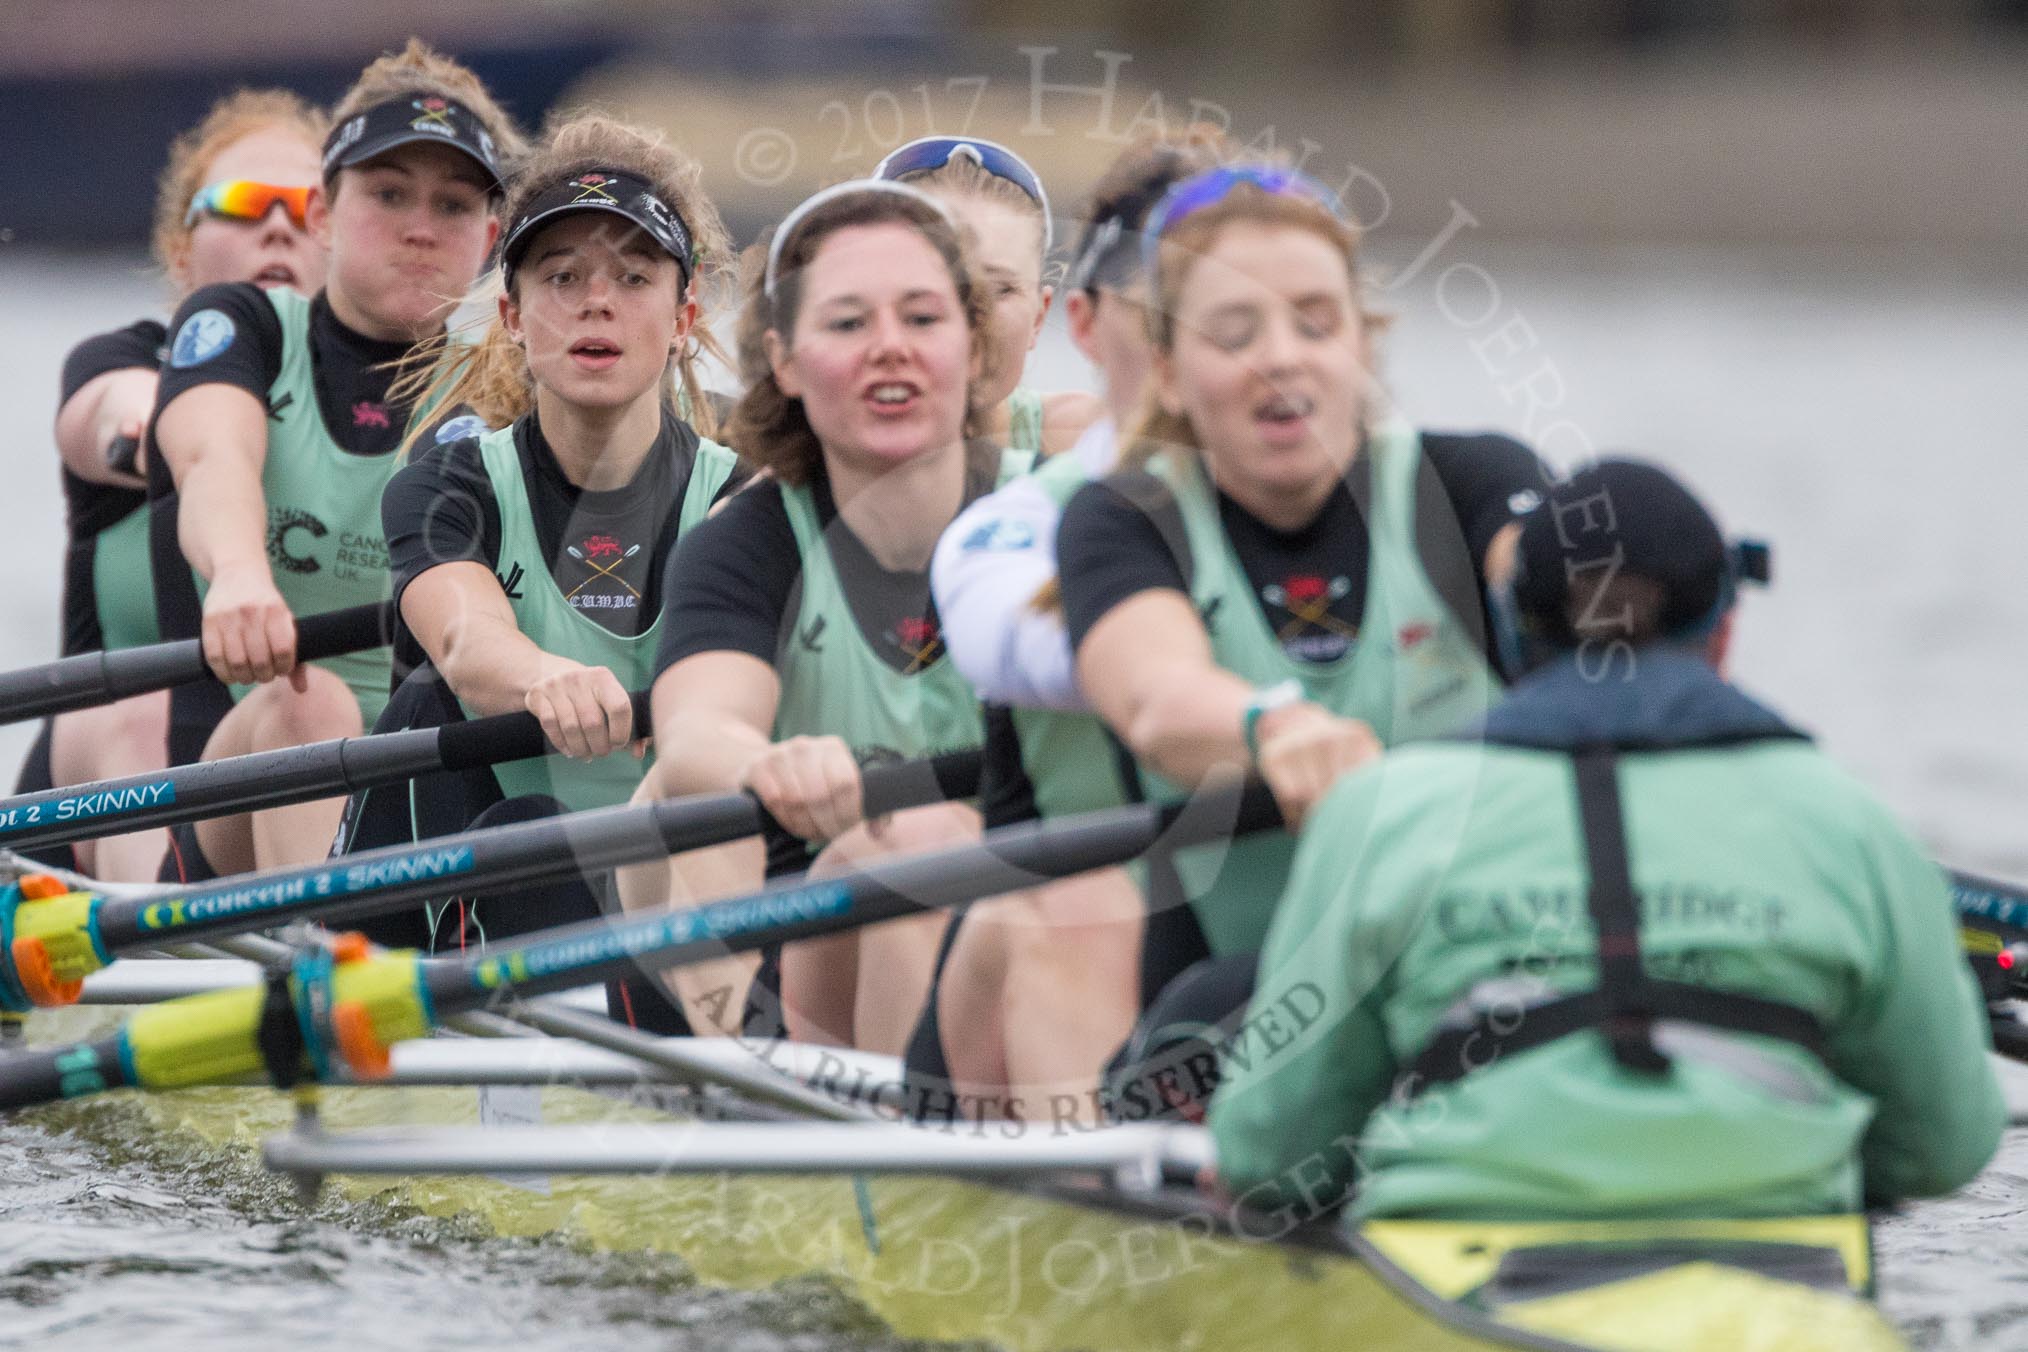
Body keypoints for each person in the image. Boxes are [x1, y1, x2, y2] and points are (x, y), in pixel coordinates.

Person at [1210, 459, 2005, 1221]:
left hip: (1458, 1267)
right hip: (1778, 1265)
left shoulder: (1383, 814)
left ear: (1513, 635)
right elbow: (1946, 1149)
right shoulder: (1856, 823)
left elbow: (1268, 1152)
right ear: (1724, 634)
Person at [1052, 163, 1546, 1112]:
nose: (1283, 357)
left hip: (1488, 982)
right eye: (1234, 334)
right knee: (1218, 1011)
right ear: (1166, 371)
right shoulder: (1124, 520)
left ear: (1363, 343)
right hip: (1243, 1009)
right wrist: (1274, 729)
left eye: (1317, 323)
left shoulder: (1475, 481)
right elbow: (1155, 698)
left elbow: (1558, 598)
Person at [616, 179, 1026, 1051]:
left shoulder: (1053, 521)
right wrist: (770, 763)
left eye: (922, 319)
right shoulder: (748, 544)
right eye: (847, 324)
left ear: (975, 348)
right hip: (792, 917)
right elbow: (696, 736)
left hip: (1021, 914)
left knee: (934, 839)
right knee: (678, 798)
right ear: (788, 360)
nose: (890, 349)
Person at [337, 114, 744, 967]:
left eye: (635, 277)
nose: (597, 300)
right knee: (442, 726)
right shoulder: (450, 483)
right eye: (562, 277)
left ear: (684, 316)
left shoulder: (744, 498)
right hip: (495, 852)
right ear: (514, 315)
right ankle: (366, 997)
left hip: (672, 872)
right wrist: (546, 678)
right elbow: (464, 636)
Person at [905, 128, 1232, 1120]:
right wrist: (1270, 721)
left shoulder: (1397, 488)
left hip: (1242, 960)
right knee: (910, 839)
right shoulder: (1012, 526)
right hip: (1026, 923)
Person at [148, 40, 523, 881]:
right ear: (321, 213)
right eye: (389, 195)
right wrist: (243, 575)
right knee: (307, 700)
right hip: (223, 801)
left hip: (415, 805)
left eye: (454, 205)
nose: (421, 227)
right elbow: (213, 458)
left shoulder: (506, 398)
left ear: (492, 239)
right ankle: (323, 969)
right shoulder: (242, 326)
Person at [15, 90, 330, 882]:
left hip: (293, 759)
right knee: (141, 710)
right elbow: (116, 423)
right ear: (181, 250)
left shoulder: (391, 414)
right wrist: (209, 433)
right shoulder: (124, 363)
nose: (279, 225)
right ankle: (160, 951)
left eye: (310, 206)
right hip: (98, 789)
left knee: (320, 704)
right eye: (240, 204)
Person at [874, 135, 1098, 456]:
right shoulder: (794, 475)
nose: (966, 320)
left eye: (999, 289)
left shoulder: (1092, 447)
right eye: (926, 289)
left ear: (1039, 315)